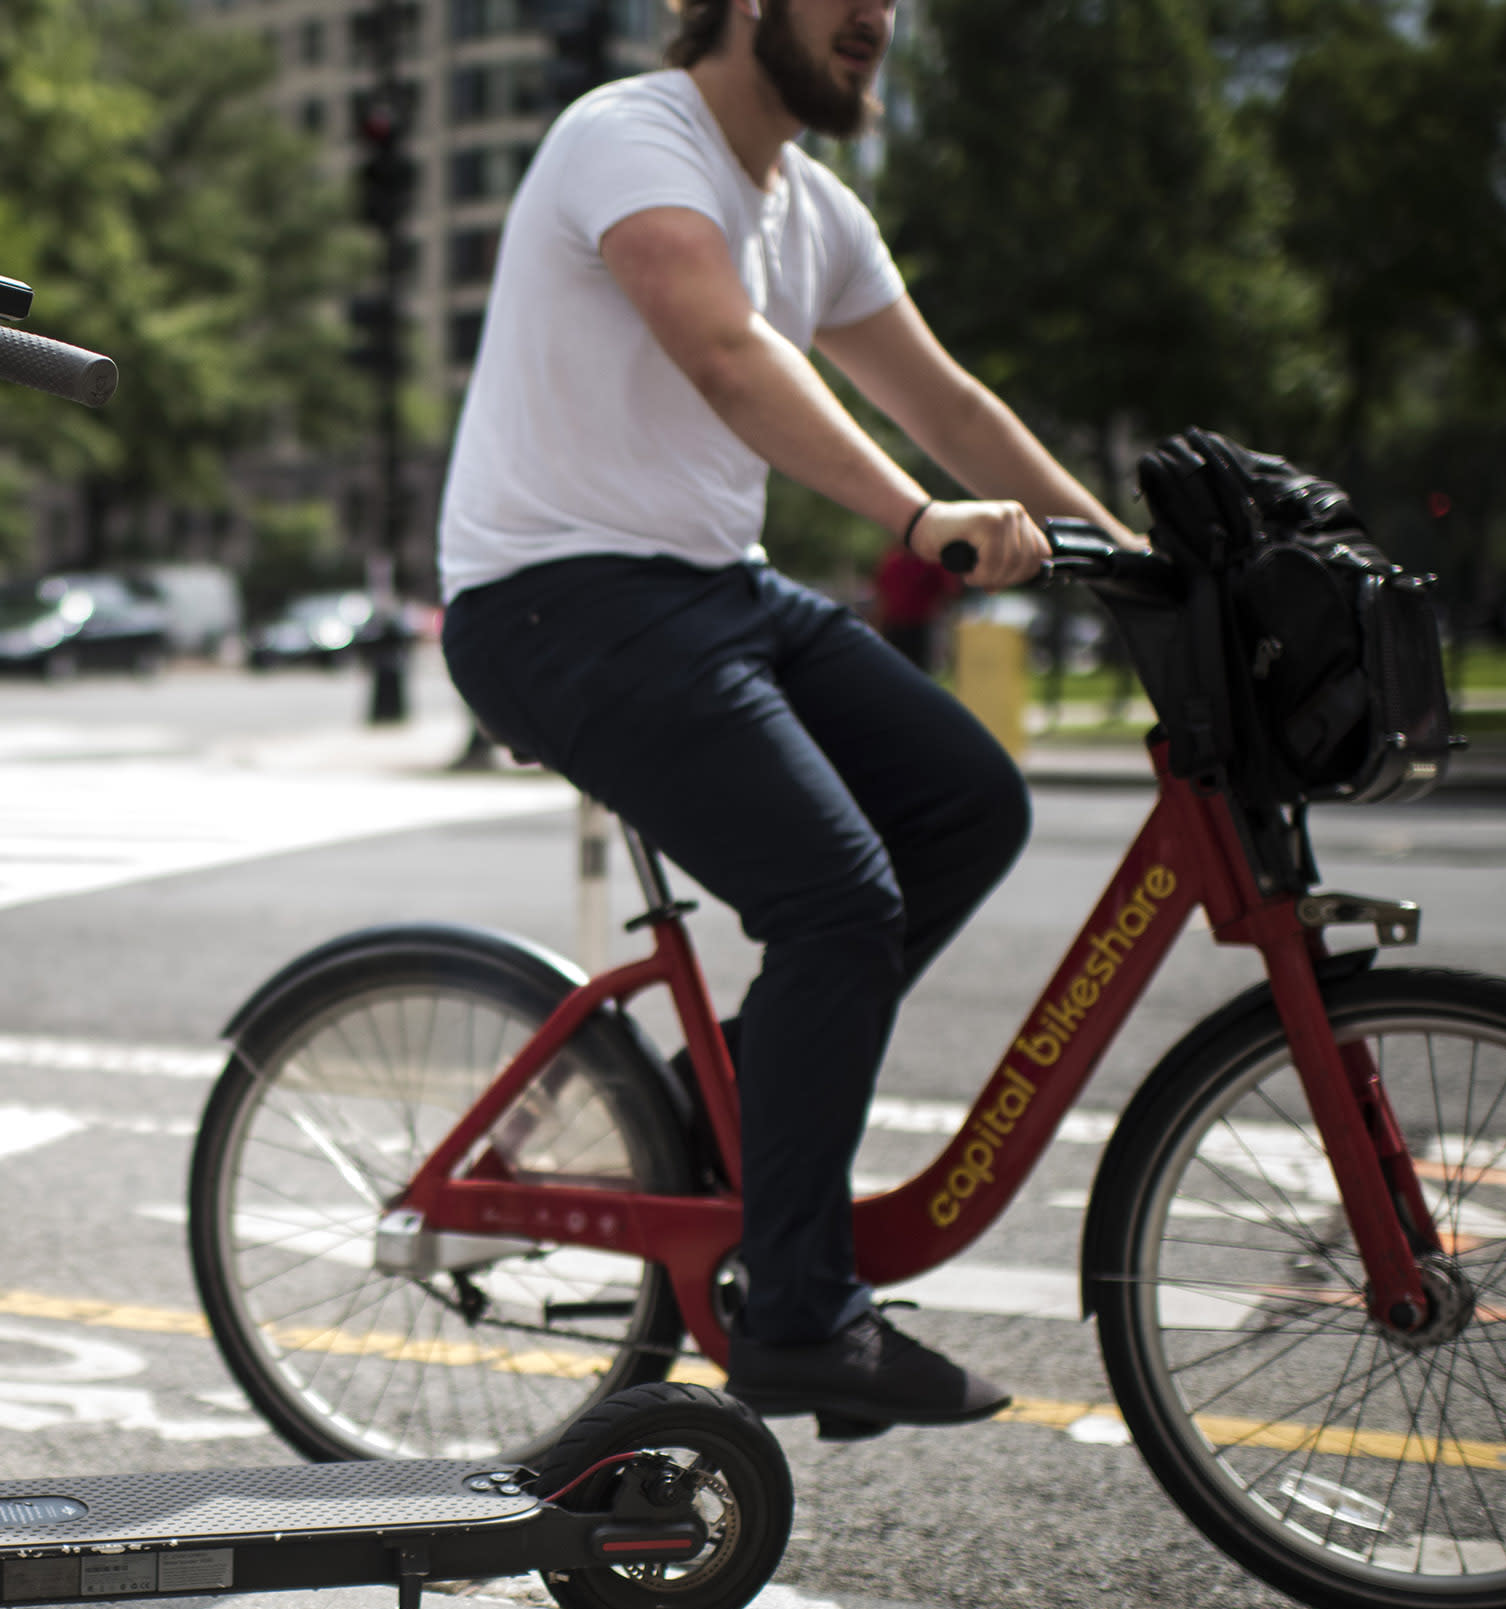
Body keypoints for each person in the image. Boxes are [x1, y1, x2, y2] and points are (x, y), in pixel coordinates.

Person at [434, 0, 1139, 1433]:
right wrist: (915, 517)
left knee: (966, 803)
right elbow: (723, 351)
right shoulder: (629, 138)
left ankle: (717, 1113)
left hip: (709, 590)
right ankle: (803, 1313)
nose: (873, 13)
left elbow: (947, 402)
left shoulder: (812, 206)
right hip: (551, 602)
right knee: (834, 902)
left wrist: (1128, 561)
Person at [872, 540, 963, 672]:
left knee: (919, 671)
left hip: (920, 627)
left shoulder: (930, 562)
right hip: (893, 626)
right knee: (892, 670)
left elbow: (950, 591)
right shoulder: (891, 562)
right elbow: (881, 597)